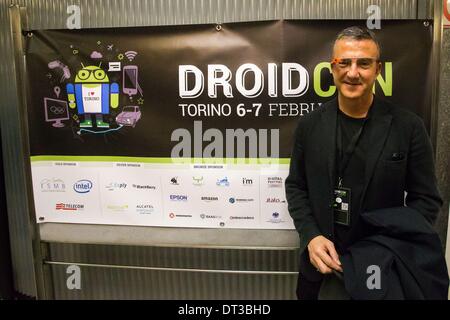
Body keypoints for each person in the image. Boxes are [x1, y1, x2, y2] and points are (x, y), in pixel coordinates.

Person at [285, 26, 443, 299]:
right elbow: (296, 187)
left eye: (364, 63)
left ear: (378, 70)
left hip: (382, 270)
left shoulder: (408, 127)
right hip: (321, 268)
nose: (353, 72)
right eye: (344, 63)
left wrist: (386, 248)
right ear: (332, 68)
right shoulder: (309, 126)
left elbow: (427, 201)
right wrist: (310, 236)